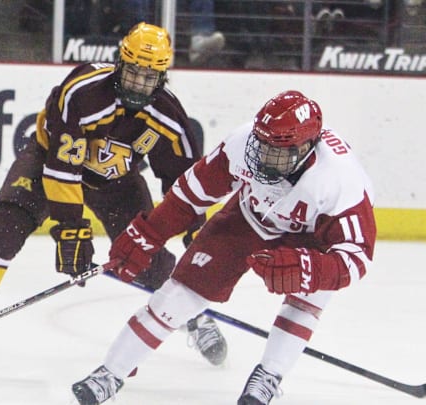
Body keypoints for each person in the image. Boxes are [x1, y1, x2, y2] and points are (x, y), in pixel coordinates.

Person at [0, 22, 227, 369]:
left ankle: (195, 315)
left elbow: (185, 187)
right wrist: (70, 228)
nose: (139, 84)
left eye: (149, 78)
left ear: (162, 78)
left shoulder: (170, 120)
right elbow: (61, 169)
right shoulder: (83, 91)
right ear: (120, 64)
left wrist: (196, 234)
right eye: (133, 73)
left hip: (116, 182)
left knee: (148, 259)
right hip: (46, 163)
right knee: (5, 225)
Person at [71, 90, 377, 405]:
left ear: (305, 148)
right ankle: (111, 372)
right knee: (177, 294)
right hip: (247, 218)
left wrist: (308, 269)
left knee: (305, 301)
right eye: (262, 145)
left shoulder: (340, 181)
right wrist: (148, 233)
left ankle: (269, 375)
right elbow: (190, 194)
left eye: (276, 152)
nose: (262, 157)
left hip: (310, 236)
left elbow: (356, 258)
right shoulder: (244, 144)